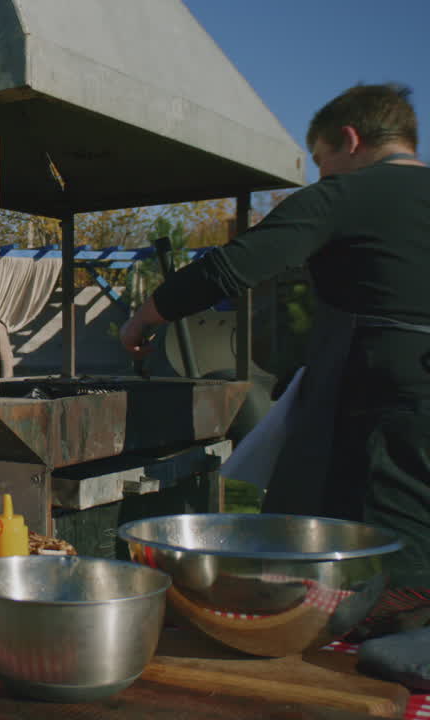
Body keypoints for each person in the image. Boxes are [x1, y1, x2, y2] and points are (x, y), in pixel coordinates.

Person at [119, 84, 430, 588]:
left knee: (388, 568)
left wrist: (143, 317)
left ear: (349, 139)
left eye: (321, 159)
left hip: (386, 409)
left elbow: (228, 269)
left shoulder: (345, 195)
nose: (321, 173)